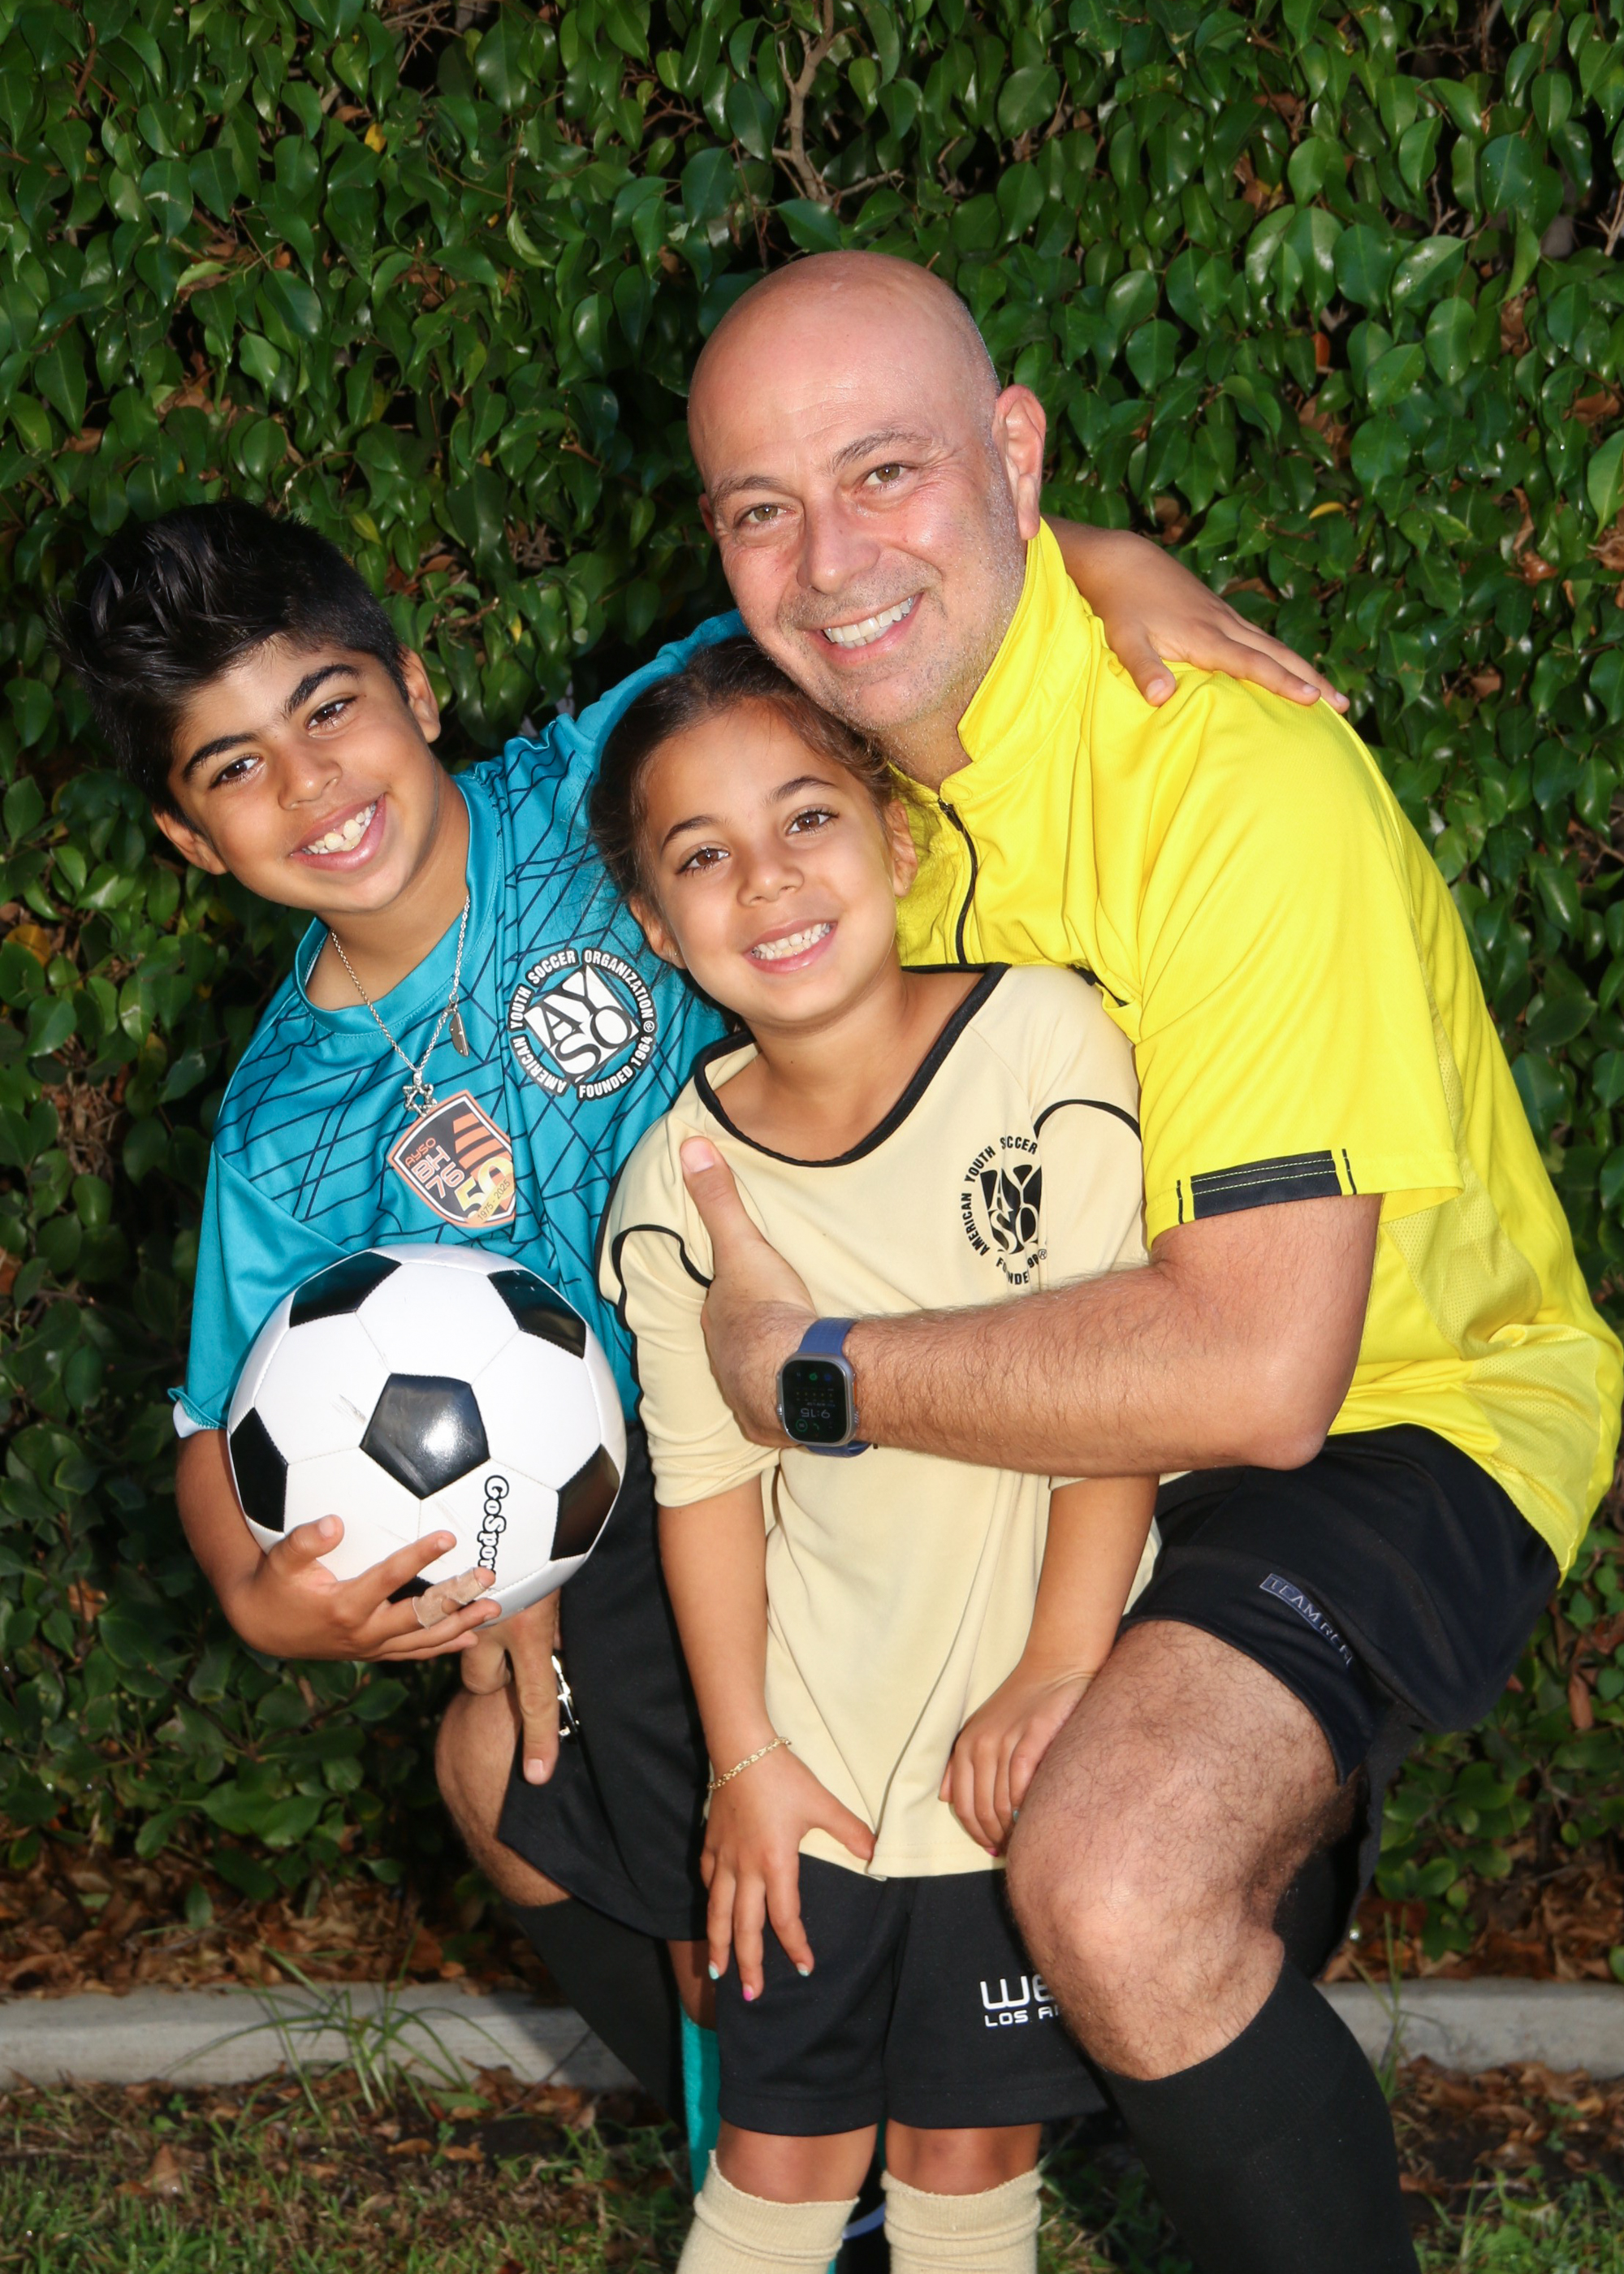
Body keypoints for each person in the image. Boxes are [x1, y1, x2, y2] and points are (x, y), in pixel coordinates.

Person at [52, 495, 1325, 2144]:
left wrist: (1115, 560)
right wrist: (266, 1596)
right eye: (235, 768)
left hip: (877, 1367)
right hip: (636, 1500)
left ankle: (934, 2102)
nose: (311, 785)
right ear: (188, 837)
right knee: (612, 1805)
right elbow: (217, 1423)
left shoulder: (601, 781)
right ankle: (787, 2154)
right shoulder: (288, 1121)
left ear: (416, 687)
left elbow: (861, 594)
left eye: (329, 707)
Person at [655, 251, 1623, 2274]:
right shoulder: (824, 769)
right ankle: (863, 2156)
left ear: (1013, 451)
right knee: (570, 1728)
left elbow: (1259, 1371)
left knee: (1116, 1870)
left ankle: (1086, 2015)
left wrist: (808, 1373)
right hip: (1022, 1398)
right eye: (762, 507)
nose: (827, 560)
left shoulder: (1229, 782)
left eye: (886, 470)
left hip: (1381, 1408)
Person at [591, 636, 1158, 2274]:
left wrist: (1062, 1664)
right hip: (817, 1770)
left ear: (898, 838)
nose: (767, 879)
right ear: (657, 924)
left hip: (1020, 1736)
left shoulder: (1041, 1040)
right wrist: (746, 1762)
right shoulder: (676, 1181)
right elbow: (708, 1488)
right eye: (702, 856)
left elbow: (1121, 1387)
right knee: (776, 2163)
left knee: (967, 2158)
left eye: (806, 818)